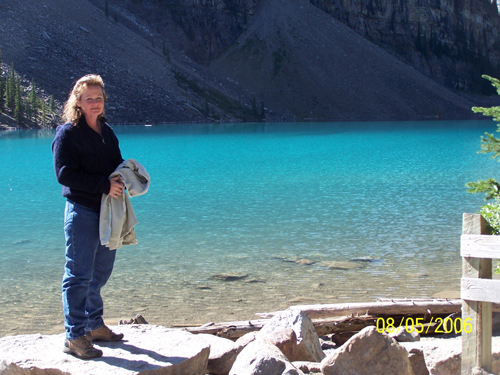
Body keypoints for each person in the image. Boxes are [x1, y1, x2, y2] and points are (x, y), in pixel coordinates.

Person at [52, 74, 125, 360]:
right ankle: (74, 335)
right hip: (82, 211)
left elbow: (115, 162)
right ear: (78, 103)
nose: (95, 103)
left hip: (108, 211)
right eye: (89, 99)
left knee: (100, 271)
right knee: (78, 275)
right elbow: (65, 174)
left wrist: (126, 174)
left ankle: (94, 325)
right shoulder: (68, 133)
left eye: (99, 98)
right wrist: (104, 185)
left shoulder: (106, 131)